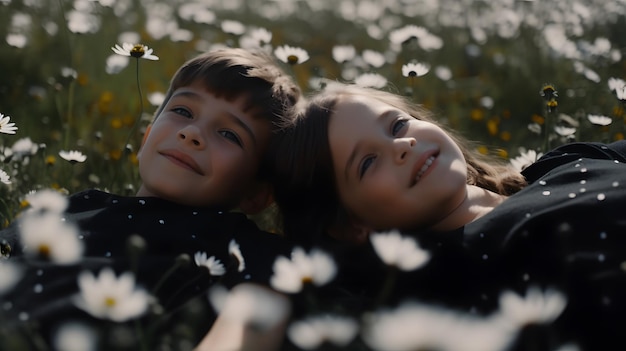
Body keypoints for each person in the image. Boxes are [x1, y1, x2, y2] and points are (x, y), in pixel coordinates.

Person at [269, 82, 626, 350]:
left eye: (396, 125)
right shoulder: (445, 276)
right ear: (349, 225)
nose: (402, 146)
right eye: (367, 162)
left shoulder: (561, 161)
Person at [0, 47, 301, 351]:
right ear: (146, 138)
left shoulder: (242, 247)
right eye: (183, 112)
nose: (191, 133)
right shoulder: (76, 206)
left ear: (257, 193)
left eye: (229, 134)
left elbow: (251, 325)